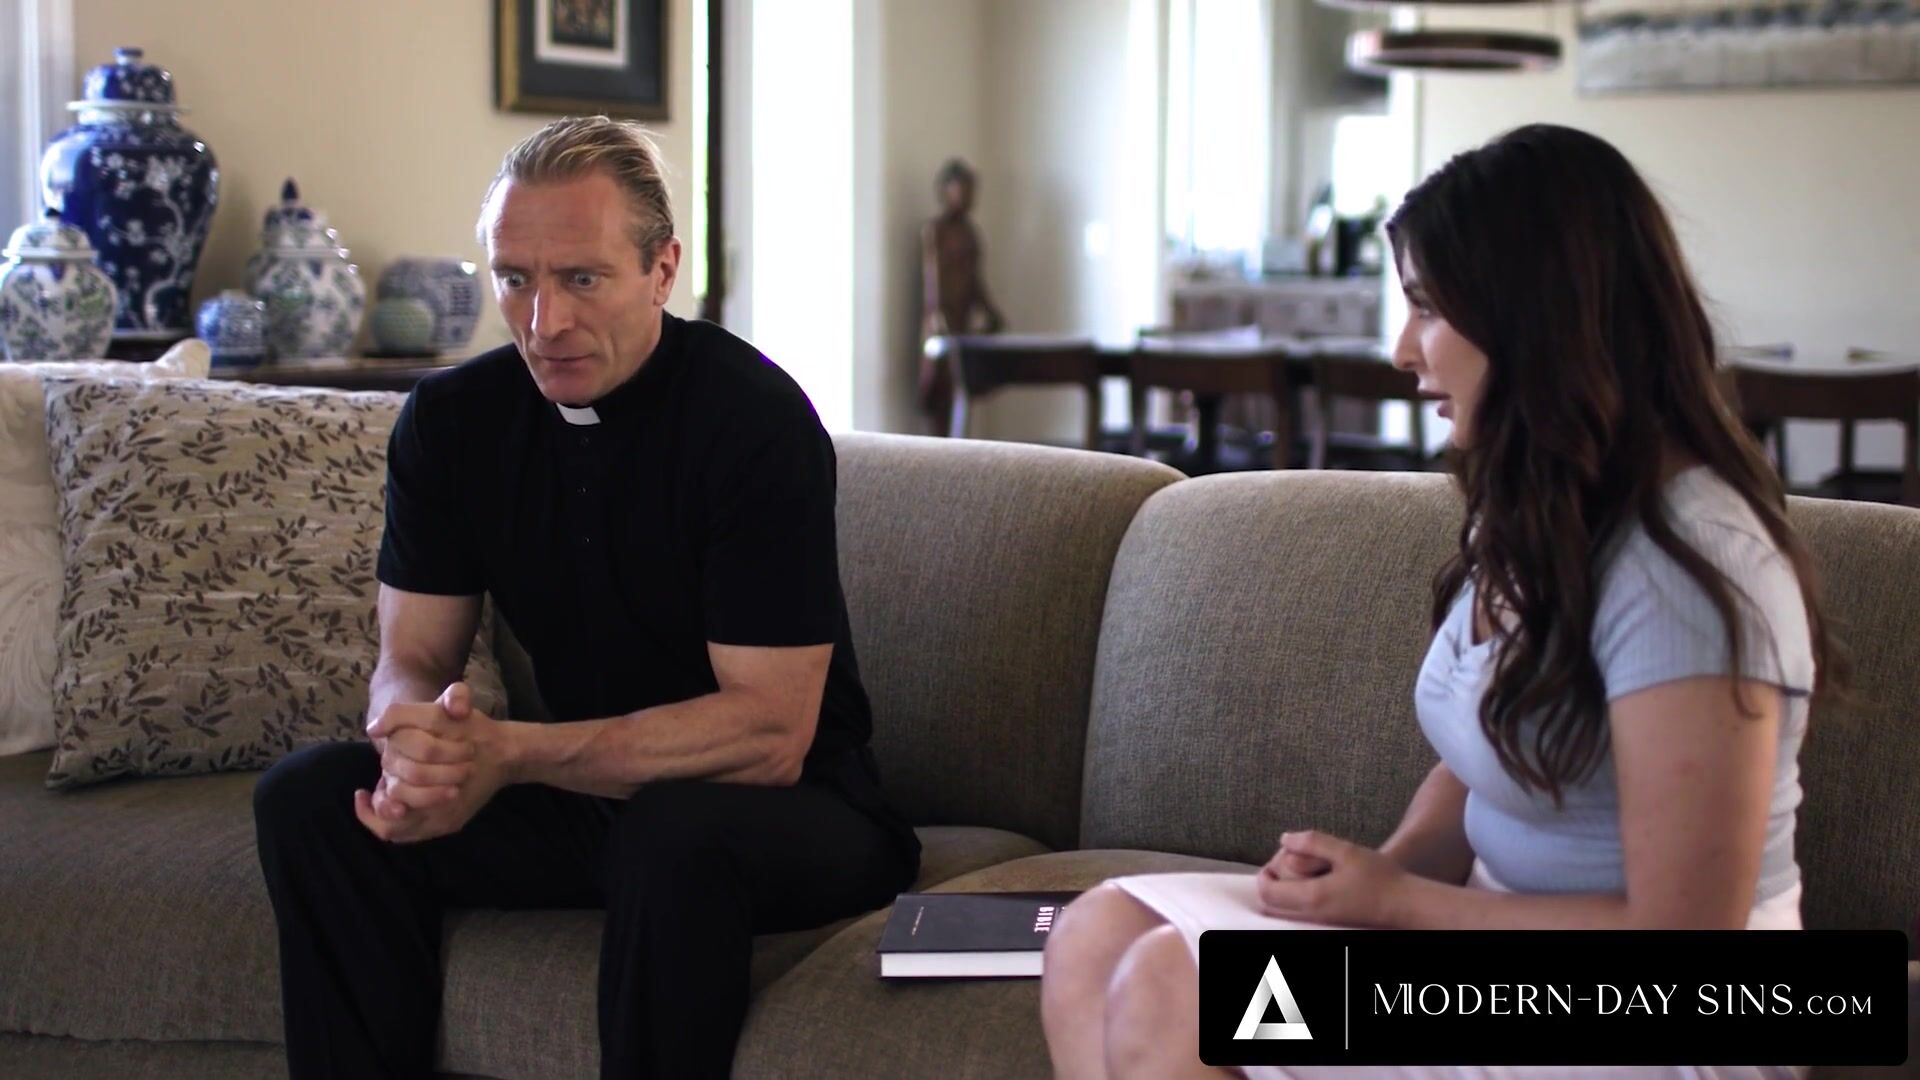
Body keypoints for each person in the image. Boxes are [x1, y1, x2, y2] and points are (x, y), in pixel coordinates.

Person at [1037, 123, 1843, 1080]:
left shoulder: (1691, 569)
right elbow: (1482, 755)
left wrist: (1402, 906)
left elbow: (1685, 945)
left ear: (1531, 315)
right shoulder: (1542, 510)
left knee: (1179, 987)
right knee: (1096, 935)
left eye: (1425, 306)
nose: (1401, 350)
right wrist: (1372, 877)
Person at [252, 116, 921, 1080]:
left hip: (792, 809)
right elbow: (415, 655)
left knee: (673, 831)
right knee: (313, 802)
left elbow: (770, 735)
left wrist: (512, 754)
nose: (543, 322)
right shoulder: (451, 423)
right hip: (580, 798)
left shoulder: (754, 422)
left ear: (662, 269)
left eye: (581, 279)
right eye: (515, 279)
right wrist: (413, 747)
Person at [917, 157, 1006, 431]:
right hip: (941, 323)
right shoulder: (936, 231)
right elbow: (933, 277)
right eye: (961, 189)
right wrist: (937, 313)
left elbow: (975, 279)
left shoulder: (970, 234)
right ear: (946, 191)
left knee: (961, 390)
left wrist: (990, 312)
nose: (967, 197)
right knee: (939, 392)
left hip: (961, 321)